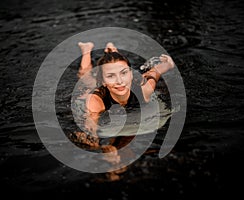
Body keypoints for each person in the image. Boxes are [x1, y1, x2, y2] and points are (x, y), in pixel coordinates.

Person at [69, 42, 174, 180]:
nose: (119, 81)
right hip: (95, 93)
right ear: (104, 81)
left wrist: (168, 65)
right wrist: (104, 148)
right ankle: (86, 49)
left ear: (131, 74)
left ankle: (113, 55)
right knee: (86, 79)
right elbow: (91, 131)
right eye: (111, 76)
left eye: (124, 73)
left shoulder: (143, 91)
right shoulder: (95, 101)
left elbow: (153, 73)